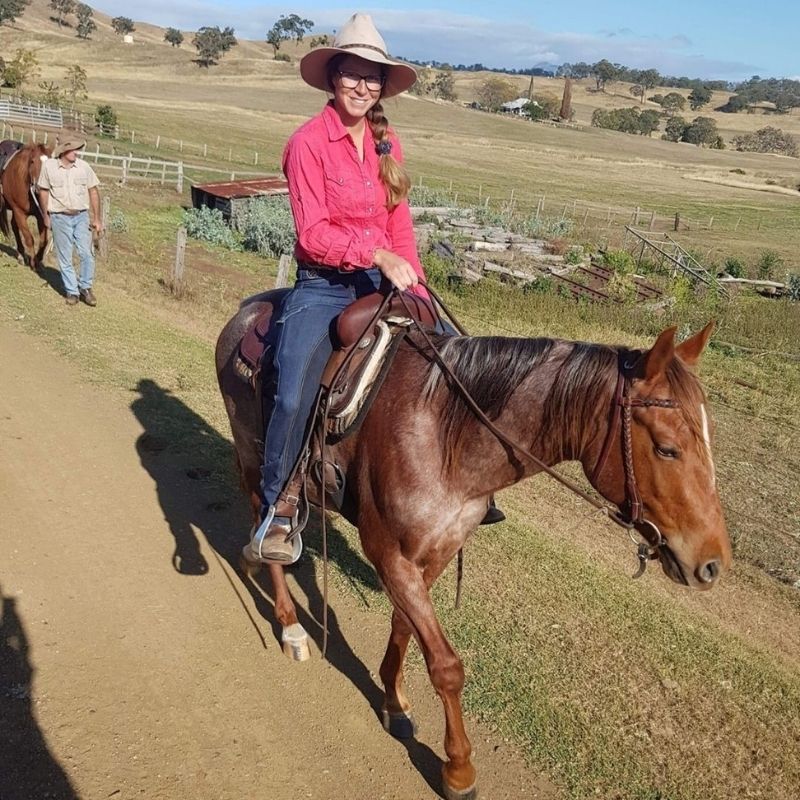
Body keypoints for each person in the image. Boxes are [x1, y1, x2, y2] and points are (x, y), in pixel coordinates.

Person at [244, 13, 503, 567]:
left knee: (458, 360)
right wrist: (375, 255)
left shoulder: (388, 143)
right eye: (352, 74)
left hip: (385, 281)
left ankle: (467, 477)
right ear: (332, 77)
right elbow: (312, 235)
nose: (361, 86)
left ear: (383, 85)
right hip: (325, 285)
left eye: (372, 77)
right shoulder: (307, 144)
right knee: (293, 389)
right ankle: (280, 504)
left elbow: (399, 224)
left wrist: (418, 284)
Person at [38, 135, 103, 307]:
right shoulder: (49, 167)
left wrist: (97, 218)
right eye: (73, 149)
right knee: (65, 256)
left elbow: (93, 191)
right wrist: (46, 216)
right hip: (59, 217)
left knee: (87, 253)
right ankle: (72, 291)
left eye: (77, 149)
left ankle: (85, 288)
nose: (76, 152)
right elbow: (43, 192)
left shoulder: (84, 167)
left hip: (81, 216)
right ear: (63, 151)